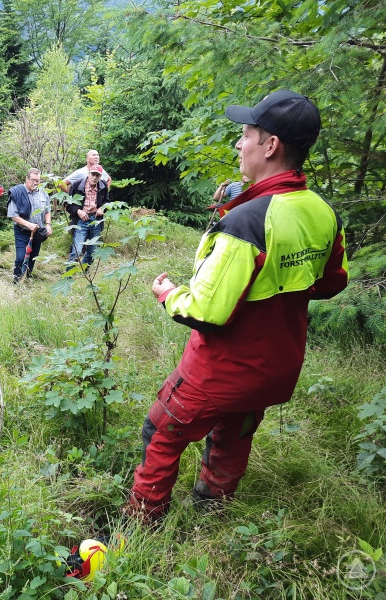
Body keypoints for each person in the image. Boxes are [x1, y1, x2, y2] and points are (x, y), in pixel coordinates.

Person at [126, 90, 349, 522]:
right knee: (234, 434)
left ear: (271, 146)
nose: (238, 144)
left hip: (219, 369)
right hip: (274, 369)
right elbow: (332, 282)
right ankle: (213, 511)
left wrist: (167, 293)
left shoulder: (247, 221)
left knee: (162, 431)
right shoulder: (323, 212)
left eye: (246, 134)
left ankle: (141, 520)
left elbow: (205, 313)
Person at [7, 168, 51, 282]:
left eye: (38, 180)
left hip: (38, 232)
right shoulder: (17, 192)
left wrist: (48, 224)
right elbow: (13, 215)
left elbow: (47, 210)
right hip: (22, 231)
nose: (35, 183)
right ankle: (16, 280)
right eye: (33, 180)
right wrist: (29, 224)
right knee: (21, 257)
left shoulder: (43, 193)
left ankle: (27, 277)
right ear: (26, 178)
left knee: (33, 257)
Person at [65, 165, 109, 268]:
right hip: (81, 221)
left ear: (100, 176)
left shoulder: (103, 186)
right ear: (88, 174)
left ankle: (85, 270)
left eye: (97, 175)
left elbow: (107, 202)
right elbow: (67, 204)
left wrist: (102, 208)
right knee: (77, 250)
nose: (95, 178)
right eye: (93, 174)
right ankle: (68, 275)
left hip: (96, 221)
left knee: (92, 251)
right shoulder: (77, 185)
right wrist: (78, 211)